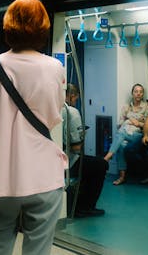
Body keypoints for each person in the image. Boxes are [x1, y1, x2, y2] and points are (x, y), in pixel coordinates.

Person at [0, 0, 68, 255]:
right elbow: (54, 116)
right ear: (43, 30)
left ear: (8, 27)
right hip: (45, 177)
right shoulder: (55, 67)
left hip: (1, 176)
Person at [63, 83, 108, 218]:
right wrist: (83, 136)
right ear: (71, 96)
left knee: (90, 164)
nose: (75, 101)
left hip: (49, 161)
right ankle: (85, 207)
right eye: (76, 98)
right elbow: (77, 147)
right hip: (67, 162)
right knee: (101, 164)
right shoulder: (71, 112)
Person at [103, 83, 148, 185]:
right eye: (136, 91)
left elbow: (146, 125)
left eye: (141, 92)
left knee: (121, 133)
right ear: (132, 93)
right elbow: (119, 124)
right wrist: (131, 121)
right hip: (125, 133)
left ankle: (108, 156)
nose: (138, 94)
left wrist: (135, 122)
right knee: (121, 146)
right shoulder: (126, 107)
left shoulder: (146, 107)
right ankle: (122, 176)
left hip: (138, 135)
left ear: (143, 94)